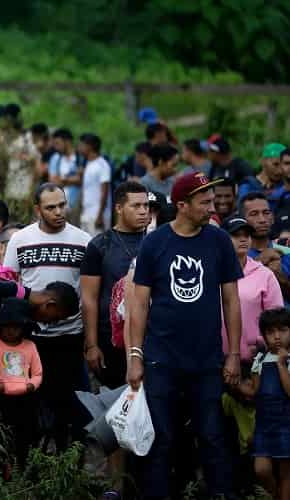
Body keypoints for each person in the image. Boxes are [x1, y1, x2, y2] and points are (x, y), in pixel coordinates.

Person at [127, 171, 243, 500]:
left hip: (207, 361)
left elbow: (230, 299)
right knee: (162, 438)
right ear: (182, 205)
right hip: (161, 359)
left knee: (212, 436)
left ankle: (222, 495)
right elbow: (139, 304)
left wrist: (232, 353)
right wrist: (135, 357)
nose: (212, 207)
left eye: (212, 200)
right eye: (204, 202)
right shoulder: (155, 242)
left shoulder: (219, 240)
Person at [3, 183, 91, 450]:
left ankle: (68, 467)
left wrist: (90, 338)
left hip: (70, 337)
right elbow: (10, 283)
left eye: (62, 205)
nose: (58, 212)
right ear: (37, 209)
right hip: (31, 339)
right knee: (28, 408)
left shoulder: (83, 240)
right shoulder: (20, 240)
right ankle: (27, 468)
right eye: (51, 207)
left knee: (72, 410)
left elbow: (88, 293)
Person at [81, 181, 149, 389]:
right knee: (116, 400)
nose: (143, 211)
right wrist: (92, 345)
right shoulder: (99, 245)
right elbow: (89, 299)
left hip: (151, 336)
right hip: (110, 339)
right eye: (136, 206)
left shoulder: (158, 241)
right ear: (119, 208)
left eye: (146, 206)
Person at [0, 297, 43, 470]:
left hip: (25, 399)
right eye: (7, 326)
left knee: (25, 436)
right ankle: (2, 473)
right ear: (0, 325)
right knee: (0, 436)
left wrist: (32, 385)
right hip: (0, 397)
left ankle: (23, 471)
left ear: (23, 327)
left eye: (16, 327)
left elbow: (38, 372)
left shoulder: (30, 346)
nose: (11, 331)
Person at [220, 217, 283, 364]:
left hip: (256, 357)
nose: (243, 239)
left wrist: (260, 343)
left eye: (246, 235)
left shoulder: (265, 274)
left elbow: (276, 319)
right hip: (215, 357)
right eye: (236, 235)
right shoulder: (211, 273)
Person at [246, 308, 290, 500]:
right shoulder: (260, 359)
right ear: (264, 335)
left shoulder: (288, 360)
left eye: (282, 330)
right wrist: (235, 383)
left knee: (285, 474)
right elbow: (256, 392)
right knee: (261, 469)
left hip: (286, 425)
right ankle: (275, 494)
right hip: (264, 425)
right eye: (270, 332)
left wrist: (281, 365)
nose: (277, 336)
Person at [79, 133, 112, 235]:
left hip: (97, 215)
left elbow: (104, 191)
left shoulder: (102, 165)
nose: (79, 148)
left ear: (90, 146)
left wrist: (100, 215)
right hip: (87, 214)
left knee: (99, 248)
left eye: (81, 145)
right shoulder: (88, 164)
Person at [48, 128, 83, 212]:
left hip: (77, 206)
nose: (56, 147)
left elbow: (82, 180)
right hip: (60, 206)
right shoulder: (55, 159)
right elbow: (53, 182)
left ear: (67, 141)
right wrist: (74, 179)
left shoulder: (80, 158)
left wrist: (63, 179)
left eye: (57, 143)